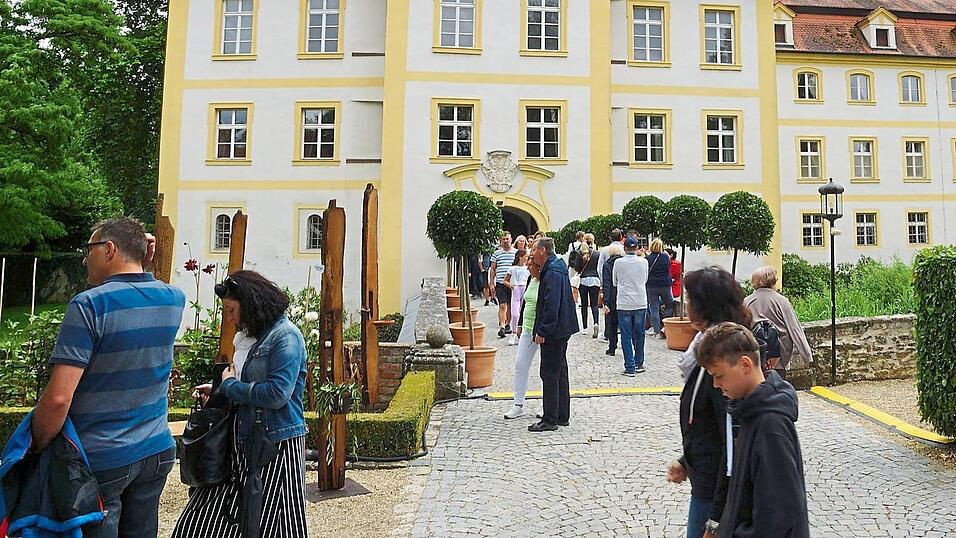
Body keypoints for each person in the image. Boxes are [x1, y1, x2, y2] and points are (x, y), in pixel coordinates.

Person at [33, 217, 186, 538]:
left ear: (109, 249)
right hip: (155, 452)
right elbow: (144, 291)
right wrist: (145, 263)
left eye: (89, 249)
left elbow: (59, 397)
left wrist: (35, 445)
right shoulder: (173, 299)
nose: (84, 258)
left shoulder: (89, 305)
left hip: (102, 457)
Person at [174, 270, 308, 538]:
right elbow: (250, 382)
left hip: (277, 443)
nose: (229, 317)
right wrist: (219, 389)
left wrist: (231, 387)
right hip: (246, 440)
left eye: (232, 309)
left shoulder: (285, 337)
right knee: (217, 516)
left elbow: (277, 394)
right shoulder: (255, 336)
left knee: (279, 519)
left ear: (252, 305)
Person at [695, 322, 810, 538]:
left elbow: (779, 515)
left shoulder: (770, 425)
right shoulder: (748, 411)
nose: (715, 385)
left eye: (719, 376)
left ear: (745, 365)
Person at [666, 266, 752, 538]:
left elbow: (732, 443)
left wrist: (715, 519)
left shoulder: (723, 360)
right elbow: (706, 425)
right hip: (706, 482)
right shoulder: (706, 350)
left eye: (690, 300)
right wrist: (687, 460)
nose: (686, 305)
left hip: (716, 493)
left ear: (705, 306)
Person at [528, 237, 578, 432]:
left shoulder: (553, 272)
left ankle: (550, 419)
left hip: (555, 331)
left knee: (549, 373)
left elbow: (551, 304)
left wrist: (543, 330)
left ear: (542, 251)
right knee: (560, 371)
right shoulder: (555, 267)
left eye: (533, 250)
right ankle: (561, 415)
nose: (531, 254)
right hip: (561, 328)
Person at [744, 266, 813, 371]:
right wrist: (807, 356)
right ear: (773, 281)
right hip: (779, 357)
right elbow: (795, 330)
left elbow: (741, 329)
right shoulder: (782, 301)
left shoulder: (747, 302)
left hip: (755, 355)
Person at [504, 257, 543, 419]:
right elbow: (525, 303)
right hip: (527, 328)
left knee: (545, 369)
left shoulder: (546, 280)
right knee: (520, 364)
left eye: (530, 265)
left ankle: (545, 404)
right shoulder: (530, 279)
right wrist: (519, 324)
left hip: (541, 329)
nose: (527, 267)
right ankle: (518, 404)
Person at [612, 237, 649, 375]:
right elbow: (645, 279)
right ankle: (639, 363)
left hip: (624, 302)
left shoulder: (618, 262)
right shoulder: (644, 262)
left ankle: (630, 366)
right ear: (636, 248)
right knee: (640, 334)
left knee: (626, 335)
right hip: (640, 301)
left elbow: (614, 282)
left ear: (625, 248)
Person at [645, 239, 675, 339]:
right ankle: (665, 327)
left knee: (653, 307)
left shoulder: (647, 259)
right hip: (665, 285)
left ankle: (656, 332)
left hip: (651, 285)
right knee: (669, 304)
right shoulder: (665, 257)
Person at [489, 232, 516, 338]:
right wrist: (491, 283)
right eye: (503, 239)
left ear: (511, 239)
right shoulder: (496, 253)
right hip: (500, 282)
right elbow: (492, 269)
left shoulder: (515, 253)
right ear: (501, 241)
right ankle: (502, 326)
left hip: (512, 283)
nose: (505, 241)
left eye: (507, 239)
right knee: (502, 305)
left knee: (510, 305)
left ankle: (508, 323)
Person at [600, 243, 624, 356]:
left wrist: (606, 302)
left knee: (612, 323)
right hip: (624, 296)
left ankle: (612, 347)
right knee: (625, 323)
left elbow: (607, 284)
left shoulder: (607, 264)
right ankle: (626, 346)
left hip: (613, 297)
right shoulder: (624, 263)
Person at [576, 233, 601, 338]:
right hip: (595, 279)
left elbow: (577, 267)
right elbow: (599, 267)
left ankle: (585, 328)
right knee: (594, 304)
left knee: (584, 305)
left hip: (584, 280)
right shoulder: (597, 253)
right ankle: (596, 322)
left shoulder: (580, 253)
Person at [503, 249, 530, 346]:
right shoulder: (512, 268)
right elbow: (505, 280)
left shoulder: (528, 268)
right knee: (515, 314)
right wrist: (511, 285)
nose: (527, 258)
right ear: (520, 257)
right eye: (525, 256)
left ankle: (522, 333)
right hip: (516, 289)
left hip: (525, 289)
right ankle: (513, 332)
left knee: (524, 312)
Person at [566, 231, 584, 305]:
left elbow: (568, 254)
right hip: (579, 266)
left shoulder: (571, 244)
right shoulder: (582, 245)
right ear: (581, 237)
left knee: (571, 282)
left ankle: (572, 298)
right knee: (578, 282)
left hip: (572, 266)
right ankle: (578, 298)